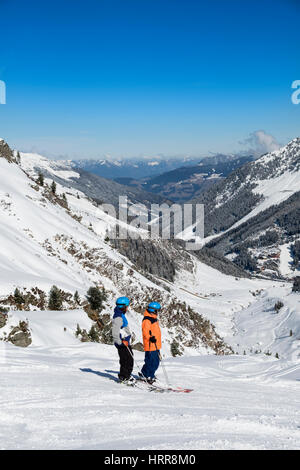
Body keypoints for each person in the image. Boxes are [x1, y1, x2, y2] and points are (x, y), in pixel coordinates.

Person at [112, 296, 135, 385]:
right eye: (127, 306)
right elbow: (115, 333)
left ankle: (125, 376)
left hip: (124, 342)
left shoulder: (120, 314)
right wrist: (121, 342)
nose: (127, 307)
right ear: (123, 306)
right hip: (122, 343)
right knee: (127, 360)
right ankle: (125, 377)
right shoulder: (118, 317)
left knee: (128, 358)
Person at [140, 301, 162, 384]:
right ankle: (147, 375)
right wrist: (150, 338)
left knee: (156, 361)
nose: (158, 312)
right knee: (151, 361)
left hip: (155, 344)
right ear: (153, 310)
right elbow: (145, 331)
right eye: (157, 310)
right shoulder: (147, 320)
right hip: (150, 344)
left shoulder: (153, 319)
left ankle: (147, 374)